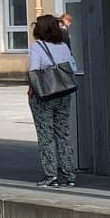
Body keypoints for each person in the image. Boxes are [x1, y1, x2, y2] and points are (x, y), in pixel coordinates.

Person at [28, 14, 76, 187]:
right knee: (63, 134)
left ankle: (51, 176)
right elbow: (72, 66)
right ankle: (69, 174)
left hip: (44, 95)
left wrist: (31, 92)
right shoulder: (63, 46)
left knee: (45, 135)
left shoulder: (37, 46)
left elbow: (34, 71)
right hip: (64, 93)